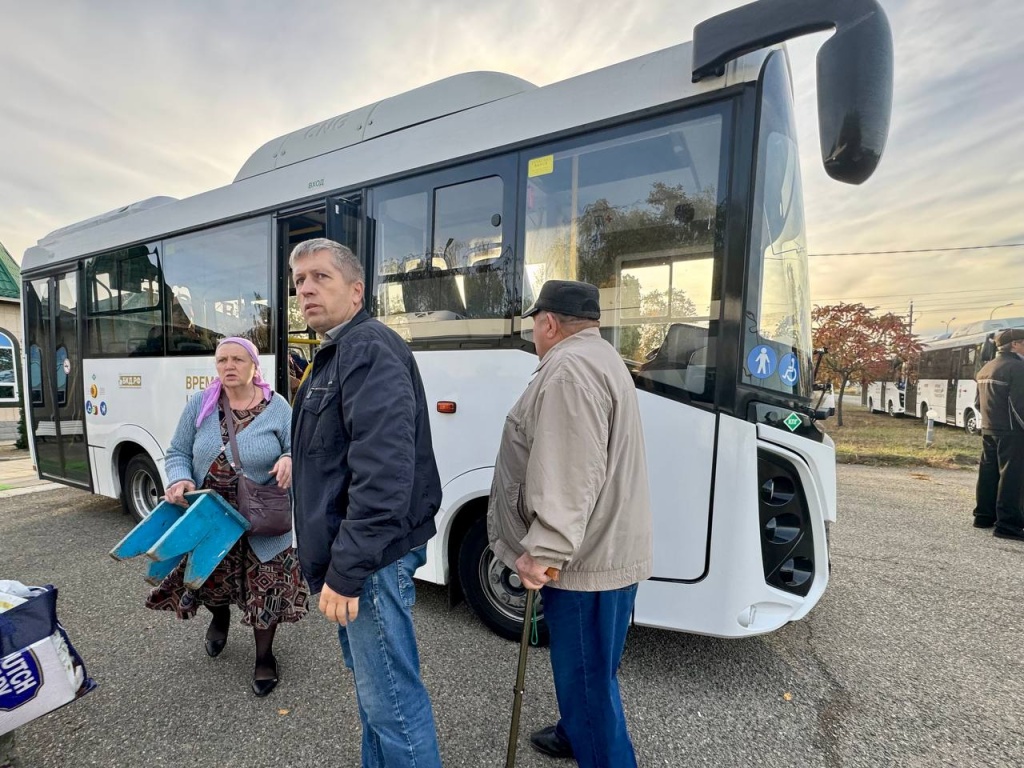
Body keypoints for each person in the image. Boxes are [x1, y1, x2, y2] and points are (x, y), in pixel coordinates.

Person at [289, 238, 443, 767]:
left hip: (369, 563)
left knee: (393, 708)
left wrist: (347, 570)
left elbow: (383, 477)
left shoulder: (366, 348)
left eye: (319, 277)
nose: (305, 288)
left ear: (356, 291)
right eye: (298, 281)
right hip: (357, 558)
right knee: (378, 705)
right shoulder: (335, 351)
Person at [488, 279, 653, 767]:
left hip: (584, 563)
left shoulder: (568, 370)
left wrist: (544, 551)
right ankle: (574, 730)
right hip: (609, 546)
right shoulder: (600, 358)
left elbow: (568, 470)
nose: (533, 334)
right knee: (592, 668)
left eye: (534, 324)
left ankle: (595, 745)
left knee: (587, 680)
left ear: (549, 323)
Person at [146, 337, 307, 696]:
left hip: (262, 517)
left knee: (266, 586)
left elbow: (299, 445)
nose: (228, 366)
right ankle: (219, 619)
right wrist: (180, 478)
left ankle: (264, 657)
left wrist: (289, 459)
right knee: (213, 582)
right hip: (212, 519)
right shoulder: (200, 404)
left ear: (253, 366)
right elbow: (177, 452)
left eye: (237, 359)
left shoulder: (277, 406)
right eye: (222, 360)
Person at [973, 327, 1024, 540]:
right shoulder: (1017, 368)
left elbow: (977, 402)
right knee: (1013, 478)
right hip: (1013, 431)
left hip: (989, 428)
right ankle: (1008, 525)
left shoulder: (987, 367)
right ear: (1014, 344)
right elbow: (1019, 405)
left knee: (988, 472)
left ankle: (983, 516)